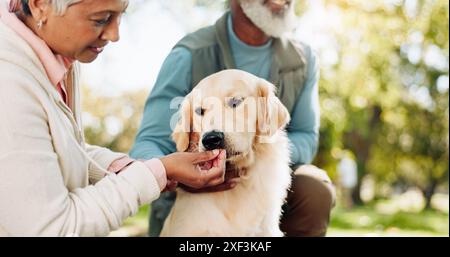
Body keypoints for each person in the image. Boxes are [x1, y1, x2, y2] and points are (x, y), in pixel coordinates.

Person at [0, 0, 226, 236]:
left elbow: (58, 151)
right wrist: (155, 172)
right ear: (40, 5)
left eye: (121, 16)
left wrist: (138, 169)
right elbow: (54, 229)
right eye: (101, 19)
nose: (115, 34)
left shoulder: (57, 55)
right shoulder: (8, 83)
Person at [131, 0, 336, 237]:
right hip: (193, 204)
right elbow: (148, 143)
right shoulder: (188, 54)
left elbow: (306, 137)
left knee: (315, 187)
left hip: (266, 182)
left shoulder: (302, 59)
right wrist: (179, 175)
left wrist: (259, 158)